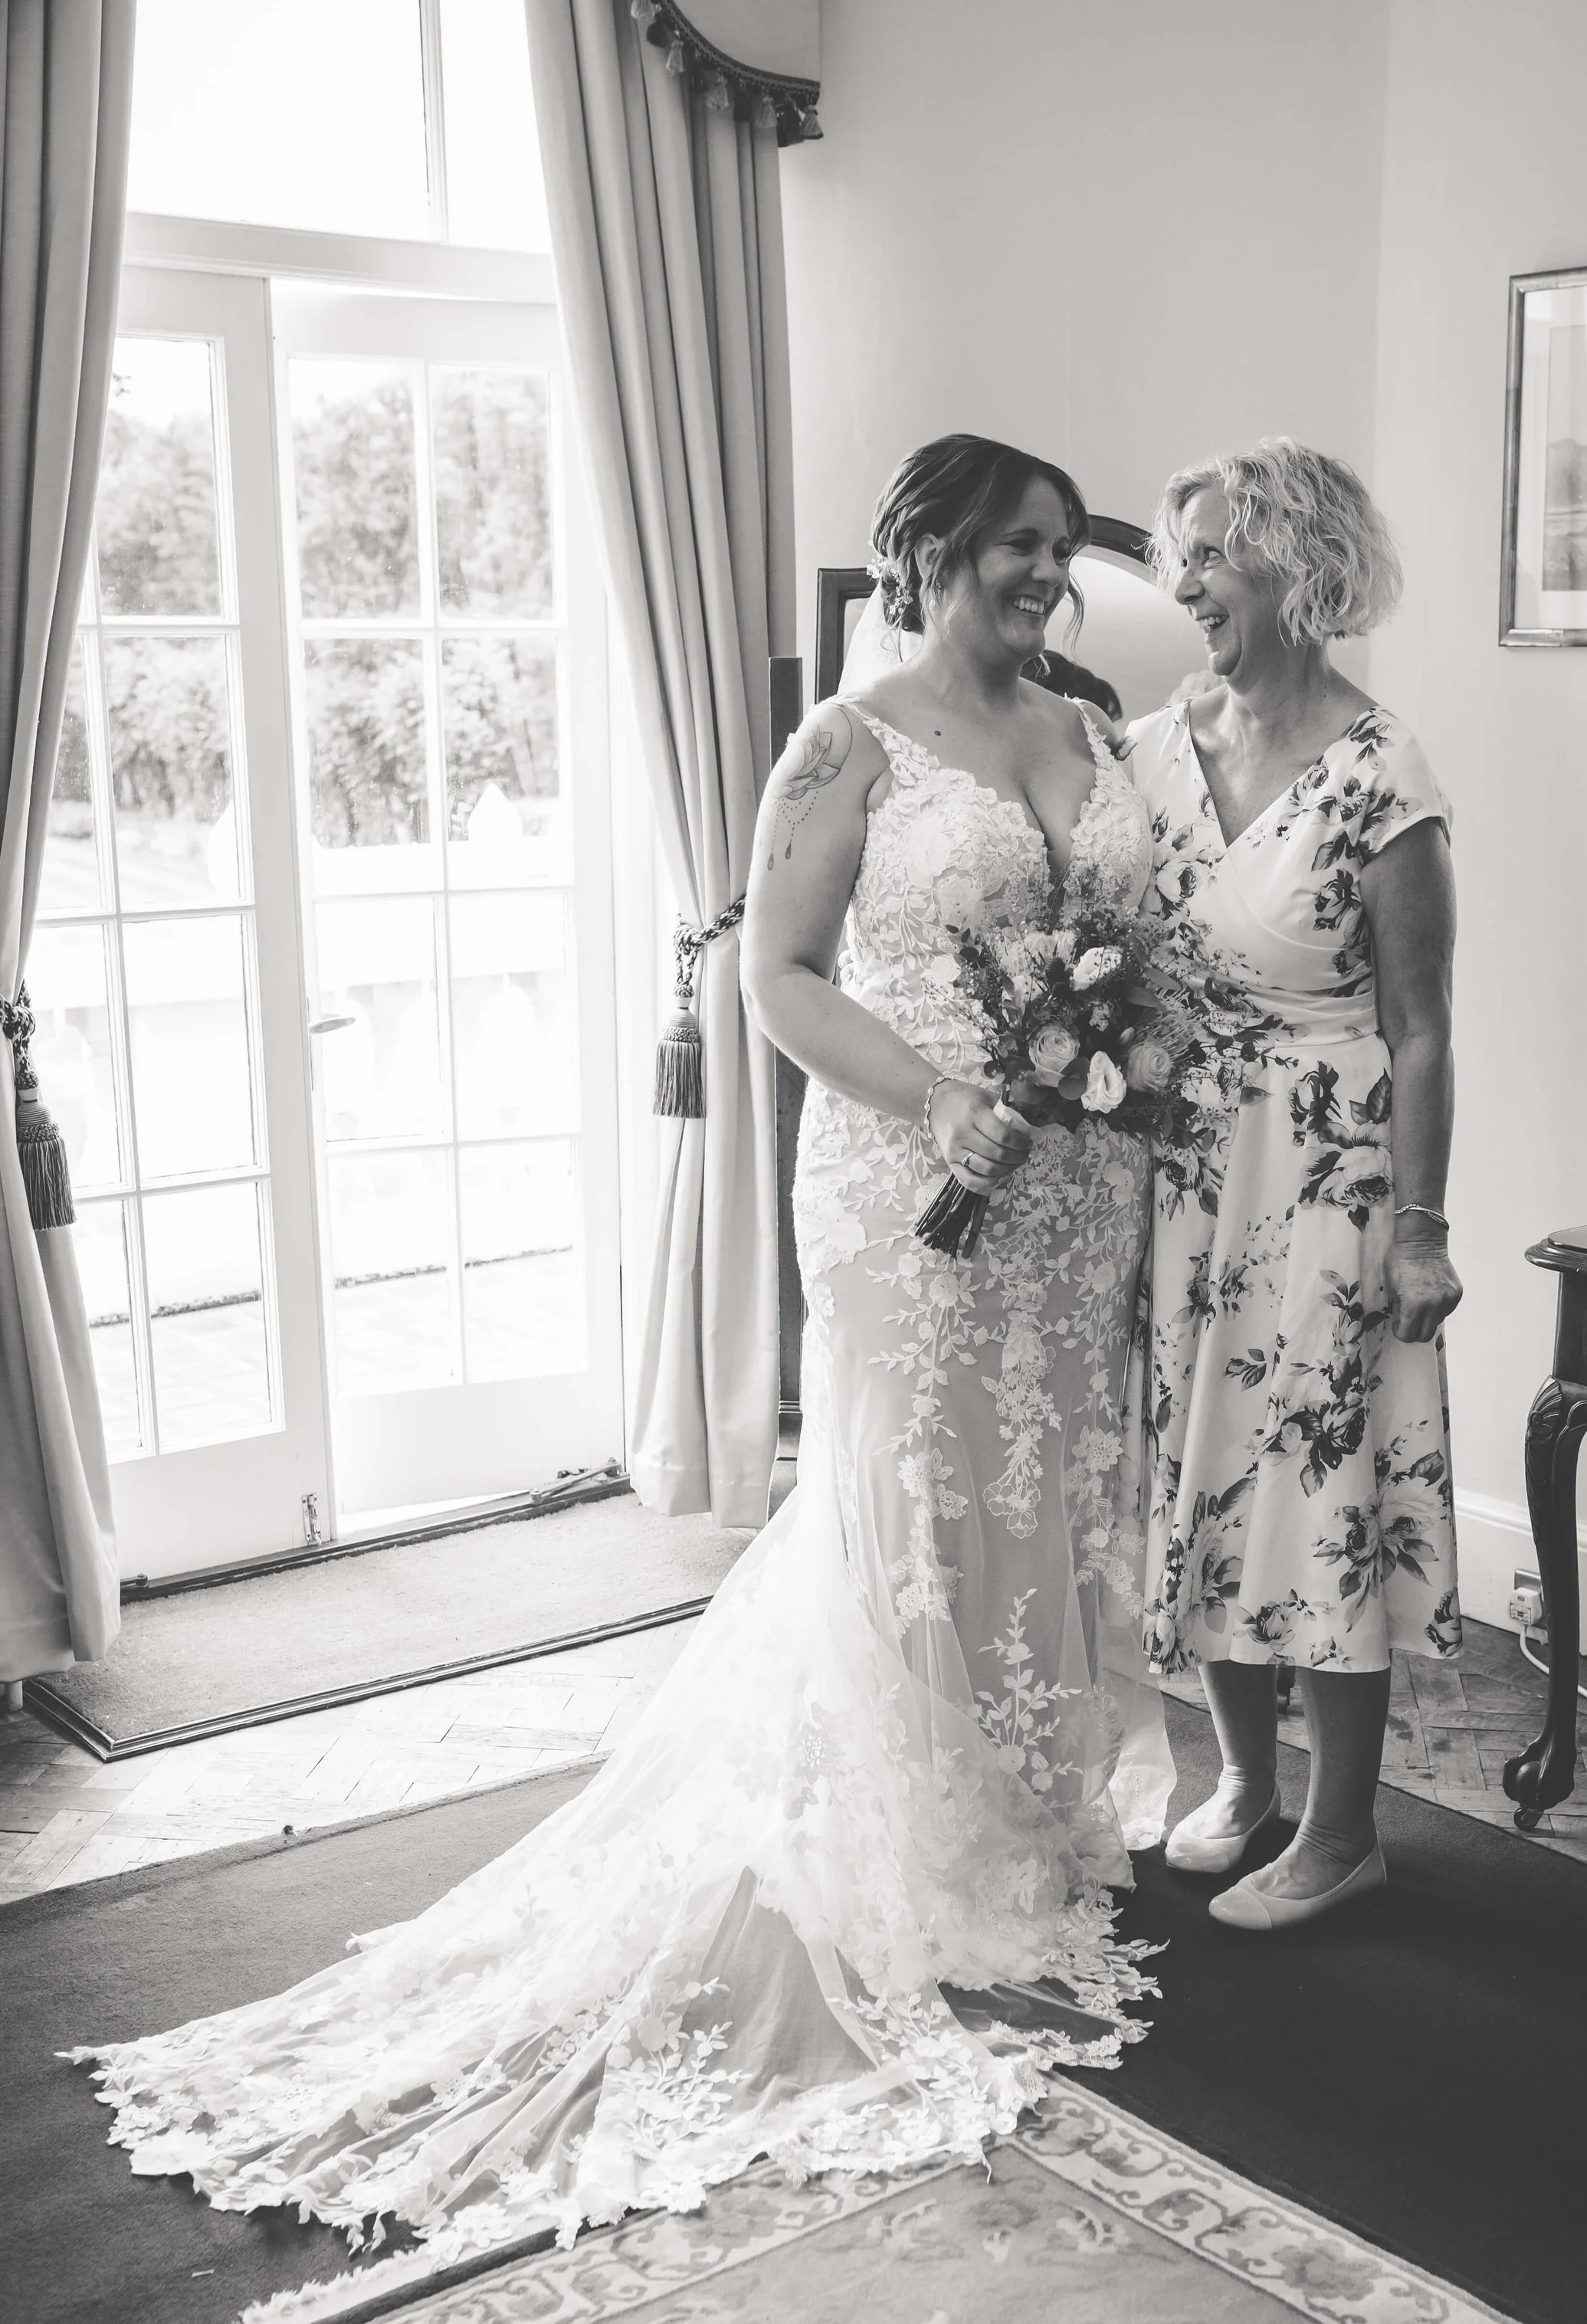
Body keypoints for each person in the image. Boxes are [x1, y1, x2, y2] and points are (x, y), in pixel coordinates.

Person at [66, 437, 1170, 2265]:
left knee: (1052, 1486)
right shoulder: (849, 743)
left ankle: (1033, 1824)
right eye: (1008, 547)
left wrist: (1106, 1068)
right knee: (913, 1494)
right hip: (910, 1183)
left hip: (1076, 1205)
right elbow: (779, 976)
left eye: (1058, 546)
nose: (1042, 575)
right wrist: (946, 1097)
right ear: (926, 558)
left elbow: (1119, 946)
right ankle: (922, 1844)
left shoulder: (1095, 729)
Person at [1126, 438, 1463, 1931]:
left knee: (1317, 1488)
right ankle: (1241, 1783)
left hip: (1325, 1176)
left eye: (1207, 551)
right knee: (1206, 1477)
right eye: (1175, 551)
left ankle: (1340, 1830)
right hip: (1184, 1170)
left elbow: (1421, 1026)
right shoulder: (1149, 746)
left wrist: (1417, 1230)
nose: (1179, 580)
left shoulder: (1382, 771)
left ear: (1293, 562)